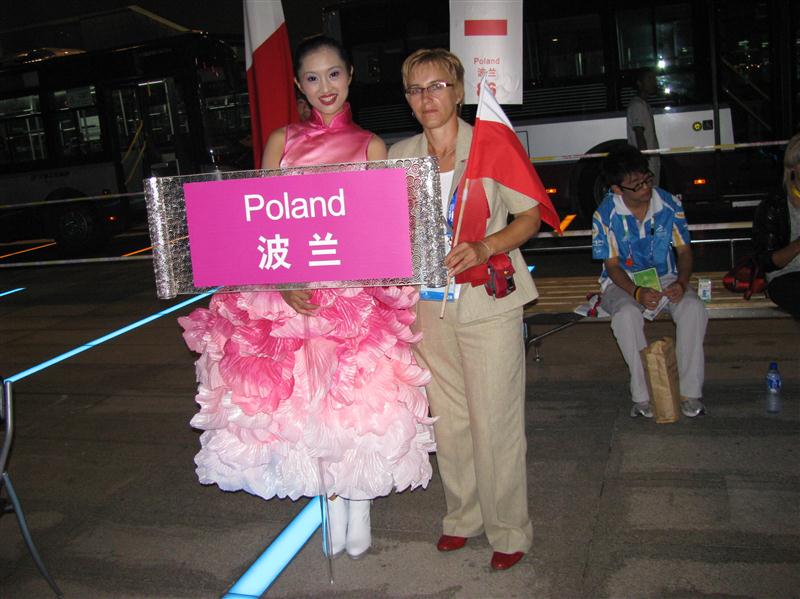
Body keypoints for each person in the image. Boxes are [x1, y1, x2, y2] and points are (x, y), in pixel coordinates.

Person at [179, 35, 435, 561]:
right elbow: (260, 218)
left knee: (356, 405)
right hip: (289, 296)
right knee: (308, 406)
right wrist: (282, 280)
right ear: (299, 84)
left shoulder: (371, 145)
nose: (325, 87)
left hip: (354, 300)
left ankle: (360, 502)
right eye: (313, 78)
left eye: (334, 74)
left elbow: (380, 230)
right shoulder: (282, 140)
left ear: (350, 76)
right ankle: (330, 501)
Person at [388, 48, 542, 571]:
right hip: (427, 305)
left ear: (457, 92)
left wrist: (485, 246)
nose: (426, 98)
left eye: (436, 86)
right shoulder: (399, 155)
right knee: (449, 420)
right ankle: (463, 516)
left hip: (487, 299)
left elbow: (529, 218)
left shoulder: (491, 144)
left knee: (495, 419)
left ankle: (509, 528)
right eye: (415, 89)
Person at [592, 145, 707, 418]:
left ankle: (690, 392)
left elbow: (684, 251)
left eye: (647, 179)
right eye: (636, 185)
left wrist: (681, 283)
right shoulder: (605, 214)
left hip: (666, 276)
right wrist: (637, 292)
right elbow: (612, 266)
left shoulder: (669, 204)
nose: (645, 188)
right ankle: (642, 395)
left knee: (693, 308)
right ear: (617, 189)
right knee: (627, 315)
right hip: (622, 282)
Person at [752, 132, 800, 317]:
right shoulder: (775, 205)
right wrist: (797, 245)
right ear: (794, 167)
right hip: (786, 276)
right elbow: (767, 262)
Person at [627, 68, 661, 185]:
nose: (653, 82)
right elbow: (639, 133)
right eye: (649, 79)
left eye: (654, 79)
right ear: (639, 83)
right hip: (646, 161)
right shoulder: (637, 105)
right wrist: (644, 161)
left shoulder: (644, 104)